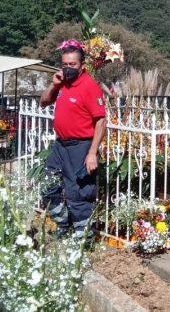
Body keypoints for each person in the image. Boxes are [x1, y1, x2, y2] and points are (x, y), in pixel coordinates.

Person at [40, 40, 107, 236]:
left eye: (73, 65)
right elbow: (43, 102)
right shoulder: (62, 83)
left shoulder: (89, 87)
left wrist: (92, 153)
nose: (68, 68)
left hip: (80, 147)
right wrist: (54, 85)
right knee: (48, 186)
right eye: (65, 64)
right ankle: (63, 221)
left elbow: (101, 122)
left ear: (82, 66)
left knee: (78, 193)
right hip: (60, 145)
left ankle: (83, 237)